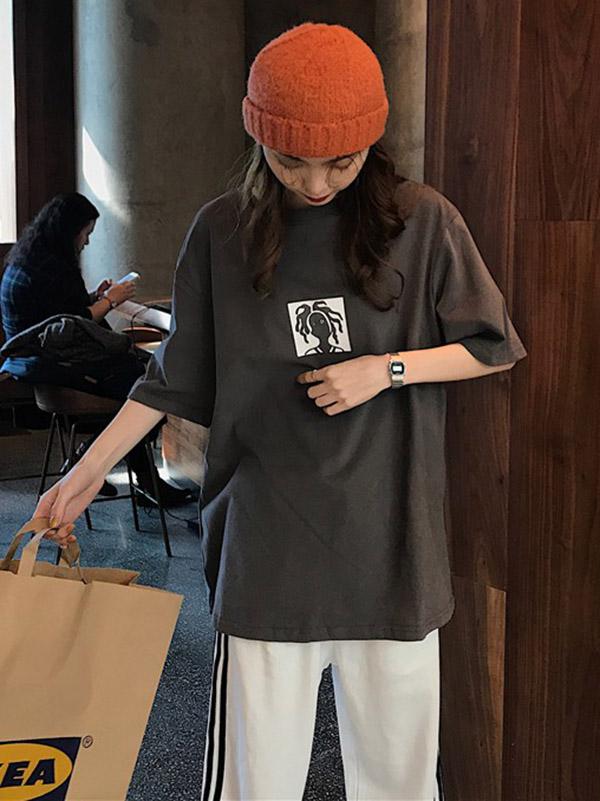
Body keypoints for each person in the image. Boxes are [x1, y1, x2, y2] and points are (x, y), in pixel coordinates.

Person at [35, 22, 528, 800]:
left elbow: (492, 345)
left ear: (369, 140)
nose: (317, 182)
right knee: (253, 784)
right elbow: (173, 380)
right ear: (259, 135)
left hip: (391, 548)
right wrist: (84, 473)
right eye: (291, 159)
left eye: (341, 160)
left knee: (399, 786)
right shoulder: (221, 231)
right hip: (266, 550)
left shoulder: (423, 221)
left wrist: (386, 369)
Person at [1, 192, 190, 505]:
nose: (87, 242)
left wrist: (95, 297)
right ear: (69, 230)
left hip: (34, 363)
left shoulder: (30, 260)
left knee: (142, 389)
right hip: (55, 365)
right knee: (150, 391)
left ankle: (128, 476)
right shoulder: (54, 268)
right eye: (85, 233)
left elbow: (58, 315)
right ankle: (86, 464)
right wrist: (112, 300)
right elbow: (73, 324)